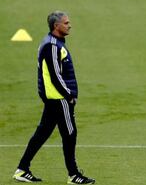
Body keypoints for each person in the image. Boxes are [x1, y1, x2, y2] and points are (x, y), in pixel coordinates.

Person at [13, 11, 95, 184]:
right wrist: (69, 96)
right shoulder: (52, 46)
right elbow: (56, 76)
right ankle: (73, 175)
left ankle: (22, 169)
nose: (69, 25)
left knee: (42, 133)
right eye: (66, 23)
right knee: (70, 134)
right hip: (58, 98)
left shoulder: (54, 43)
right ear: (56, 26)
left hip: (53, 98)